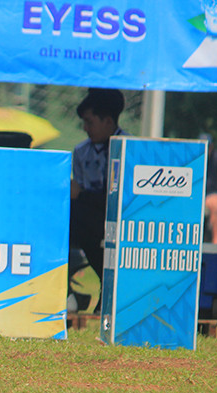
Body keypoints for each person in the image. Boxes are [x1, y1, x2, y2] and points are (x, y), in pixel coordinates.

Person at [69, 88, 127, 312]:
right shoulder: (81, 152)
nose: (85, 128)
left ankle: (111, 288)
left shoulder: (130, 147)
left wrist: (82, 194)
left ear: (108, 121)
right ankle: (66, 291)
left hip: (121, 216)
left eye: (89, 122)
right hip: (90, 217)